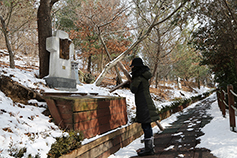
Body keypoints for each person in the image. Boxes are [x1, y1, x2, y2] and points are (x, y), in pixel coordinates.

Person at [129, 57, 160, 156]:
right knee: (146, 125)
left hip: (143, 104)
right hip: (145, 102)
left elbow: (134, 89)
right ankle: (149, 148)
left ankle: (149, 149)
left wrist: (130, 83)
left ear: (136, 67)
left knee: (146, 125)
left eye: (133, 66)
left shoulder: (138, 77)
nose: (132, 68)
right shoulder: (143, 76)